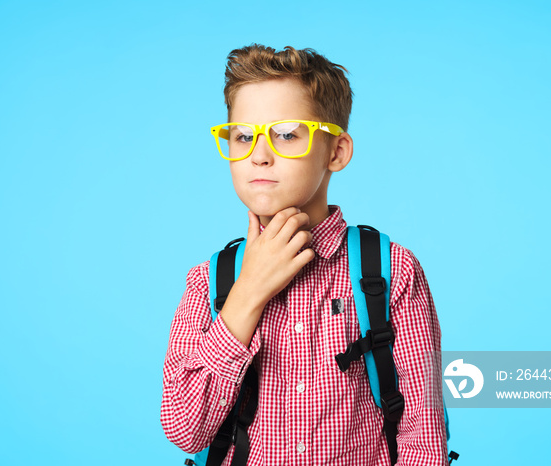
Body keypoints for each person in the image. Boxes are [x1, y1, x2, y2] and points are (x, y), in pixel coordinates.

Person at [161, 44, 447, 465]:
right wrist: (248, 295)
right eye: (243, 136)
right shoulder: (210, 280)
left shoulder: (391, 273)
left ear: (336, 152)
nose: (259, 154)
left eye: (287, 134)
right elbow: (185, 428)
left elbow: (424, 438)